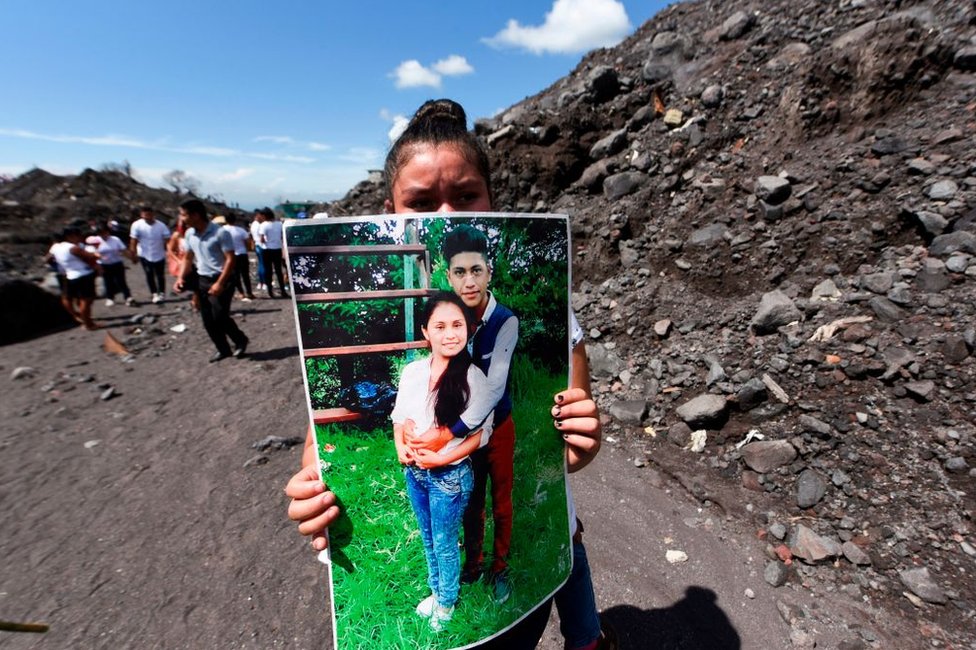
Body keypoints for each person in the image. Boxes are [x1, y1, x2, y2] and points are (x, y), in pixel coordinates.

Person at [285, 99, 609, 650]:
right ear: (392, 210)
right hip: (445, 442)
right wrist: (315, 480)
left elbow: (555, 399)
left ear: (491, 202)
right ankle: (471, 572)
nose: (442, 213)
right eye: (420, 203)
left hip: (491, 429)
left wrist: (579, 439)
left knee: (501, 499)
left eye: (464, 197)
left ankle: (507, 576)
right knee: (467, 510)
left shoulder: (523, 317)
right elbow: (327, 432)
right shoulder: (423, 312)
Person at [392, 292, 492, 631]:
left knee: (445, 541)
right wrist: (400, 446)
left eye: (457, 325)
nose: (450, 334)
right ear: (426, 332)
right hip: (416, 473)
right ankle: (437, 592)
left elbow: (481, 435)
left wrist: (442, 457)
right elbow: (400, 417)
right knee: (428, 536)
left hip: (450, 476)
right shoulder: (413, 372)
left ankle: (447, 602)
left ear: (468, 329)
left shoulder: (474, 378)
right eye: (441, 326)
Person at [174, 199, 249, 362]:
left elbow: (230, 259)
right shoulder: (189, 234)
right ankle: (223, 349)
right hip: (202, 278)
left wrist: (220, 283)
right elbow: (188, 258)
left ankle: (240, 340)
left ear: (195, 215)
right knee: (207, 319)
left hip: (223, 278)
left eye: (184, 214)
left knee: (220, 316)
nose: (181, 218)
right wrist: (180, 278)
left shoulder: (220, 233)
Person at [49, 225, 100, 330]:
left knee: (69, 297)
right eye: (77, 236)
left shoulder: (56, 247)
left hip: (69, 274)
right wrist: (96, 254)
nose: (80, 238)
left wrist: (58, 266)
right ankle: (88, 323)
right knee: (86, 300)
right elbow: (90, 256)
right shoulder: (72, 247)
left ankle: (78, 316)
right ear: (70, 236)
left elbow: (48, 259)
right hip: (83, 274)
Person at [129, 206, 171, 304]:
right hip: (144, 254)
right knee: (149, 274)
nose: (147, 217)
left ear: (153, 215)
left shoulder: (161, 226)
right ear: (142, 215)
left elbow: (168, 240)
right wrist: (133, 254)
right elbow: (133, 240)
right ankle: (154, 293)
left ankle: (161, 292)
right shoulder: (136, 225)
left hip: (159, 253)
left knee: (160, 275)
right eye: (145, 215)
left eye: (149, 215)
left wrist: (170, 253)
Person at [93, 221, 134, 306]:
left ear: (108, 232)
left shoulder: (115, 239)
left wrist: (131, 257)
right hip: (104, 265)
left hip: (117, 263)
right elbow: (93, 252)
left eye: (104, 233)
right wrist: (98, 257)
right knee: (108, 281)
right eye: (101, 233)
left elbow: (123, 250)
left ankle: (128, 297)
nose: (103, 235)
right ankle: (110, 298)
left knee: (121, 281)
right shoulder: (95, 241)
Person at [222, 213, 256, 301]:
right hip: (242, 254)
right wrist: (247, 249)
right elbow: (248, 242)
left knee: (235, 275)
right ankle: (249, 292)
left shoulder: (222, 230)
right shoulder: (241, 230)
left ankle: (241, 293)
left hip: (229, 255)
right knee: (245, 275)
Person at [258, 208, 287, 298]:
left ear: (265, 216)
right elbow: (282, 236)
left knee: (268, 271)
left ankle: (270, 291)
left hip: (267, 249)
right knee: (279, 271)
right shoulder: (279, 224)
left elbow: (262, 239)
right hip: (277, 249)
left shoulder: (264, 225)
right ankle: (283, 290)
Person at [250, 209, 268, 293]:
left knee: (260, 264)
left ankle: (260, 282)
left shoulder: (253, 224)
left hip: (256, 245)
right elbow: (262, 237)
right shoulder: (259, 225)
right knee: (263, 264)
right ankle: (264, 282)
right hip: (261, 246)